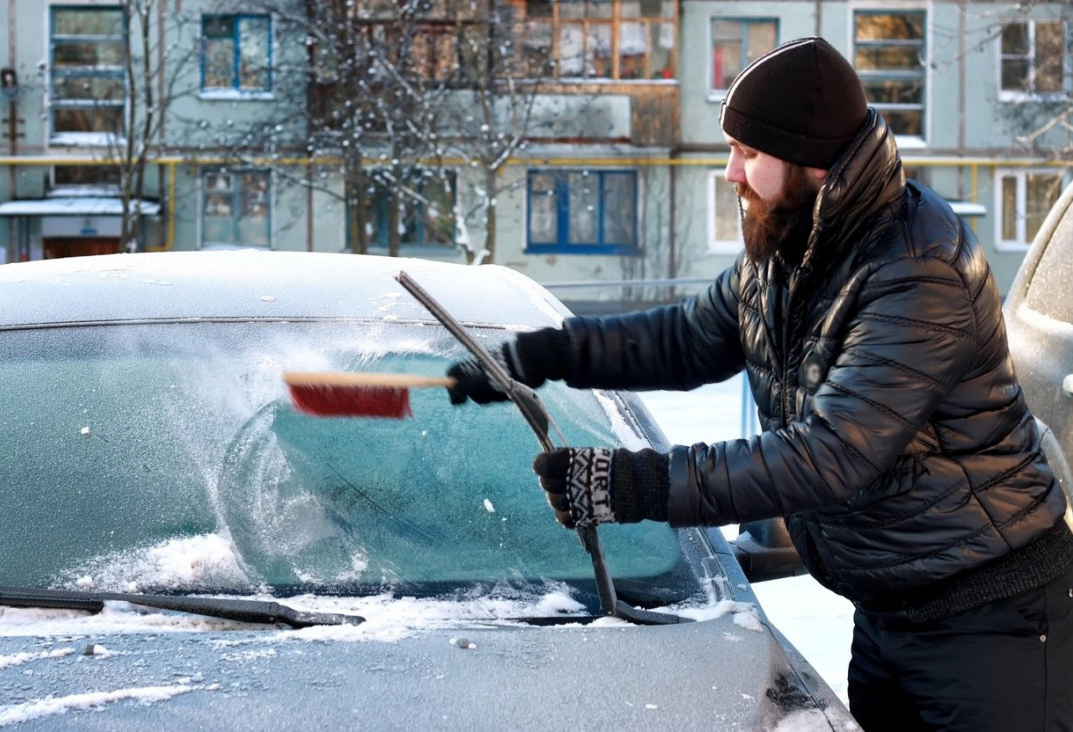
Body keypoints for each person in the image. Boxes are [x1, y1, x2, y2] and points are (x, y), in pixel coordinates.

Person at [446, 36, 1073, 732]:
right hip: (889, 611)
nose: (729, 172)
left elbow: (831, 454)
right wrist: (541, 354)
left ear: (809, 162)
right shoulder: (791, 243)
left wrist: (633, 484)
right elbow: (684, 339)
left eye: (747, 153)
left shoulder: (916, 269)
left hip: (990, 622)